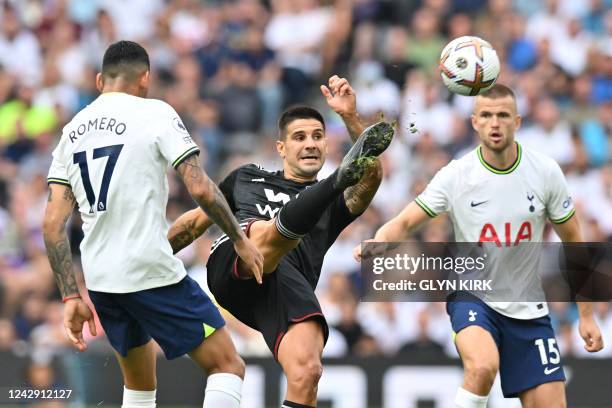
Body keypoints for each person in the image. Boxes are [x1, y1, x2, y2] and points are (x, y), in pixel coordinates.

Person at [42, 40, 263, 408]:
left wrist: (70, 296)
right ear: (145, 79)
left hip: (101, 281)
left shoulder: (72, 131)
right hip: (148, 270)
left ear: (100, 80)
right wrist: (239, 238)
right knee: (227, 365)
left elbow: (51, 224)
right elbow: (201, 189)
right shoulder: (155, 113)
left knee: (140, 388)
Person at [355, 84, 604, 408]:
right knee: (483, 366)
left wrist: (586, 315)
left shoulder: (545, 172)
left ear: (517, 121)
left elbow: (574, 242)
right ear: (475, 122)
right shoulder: (457, 174)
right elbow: (404, 221)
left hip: (528, 307)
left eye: (502, 115)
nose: (495, 123)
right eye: (486, 115)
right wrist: (381, 240)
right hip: (472, 295)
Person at [168, 75, 394, 407]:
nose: (311, 144)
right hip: (235, 259)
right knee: (262, 234)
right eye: (299, 137)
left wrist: (349, 116)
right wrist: (153, 255)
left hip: (284, 286)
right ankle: (332, 183)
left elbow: (371, 174)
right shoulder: (247, 178)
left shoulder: (336, 206)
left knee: (307, 372)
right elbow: (194, 223)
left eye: (318, 137)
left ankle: (331, 184)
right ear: (281, 148)